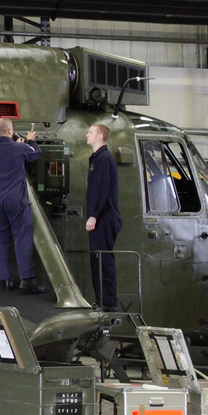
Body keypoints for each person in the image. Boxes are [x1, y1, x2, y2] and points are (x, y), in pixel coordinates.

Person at [0, 117, 44, 293]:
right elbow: (35, 153)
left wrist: (17, 145)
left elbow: (4, 156)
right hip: (15, 200)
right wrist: (31, 139)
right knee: (21, 237)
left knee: (1, 240)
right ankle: (26, 280)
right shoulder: (19, 148)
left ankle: (6, 280)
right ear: (10, 131)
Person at [83, 123, 122, 309]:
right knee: (97, 259)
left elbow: (101, 190)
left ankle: (108, 302)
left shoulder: (104, 159)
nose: (87, 135)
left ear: (100, 136)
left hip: (104, 217)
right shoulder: (97, 159)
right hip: (100, 216)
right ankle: (101, 300)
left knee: (103, 259)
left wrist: (93, 215)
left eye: (90, 132)